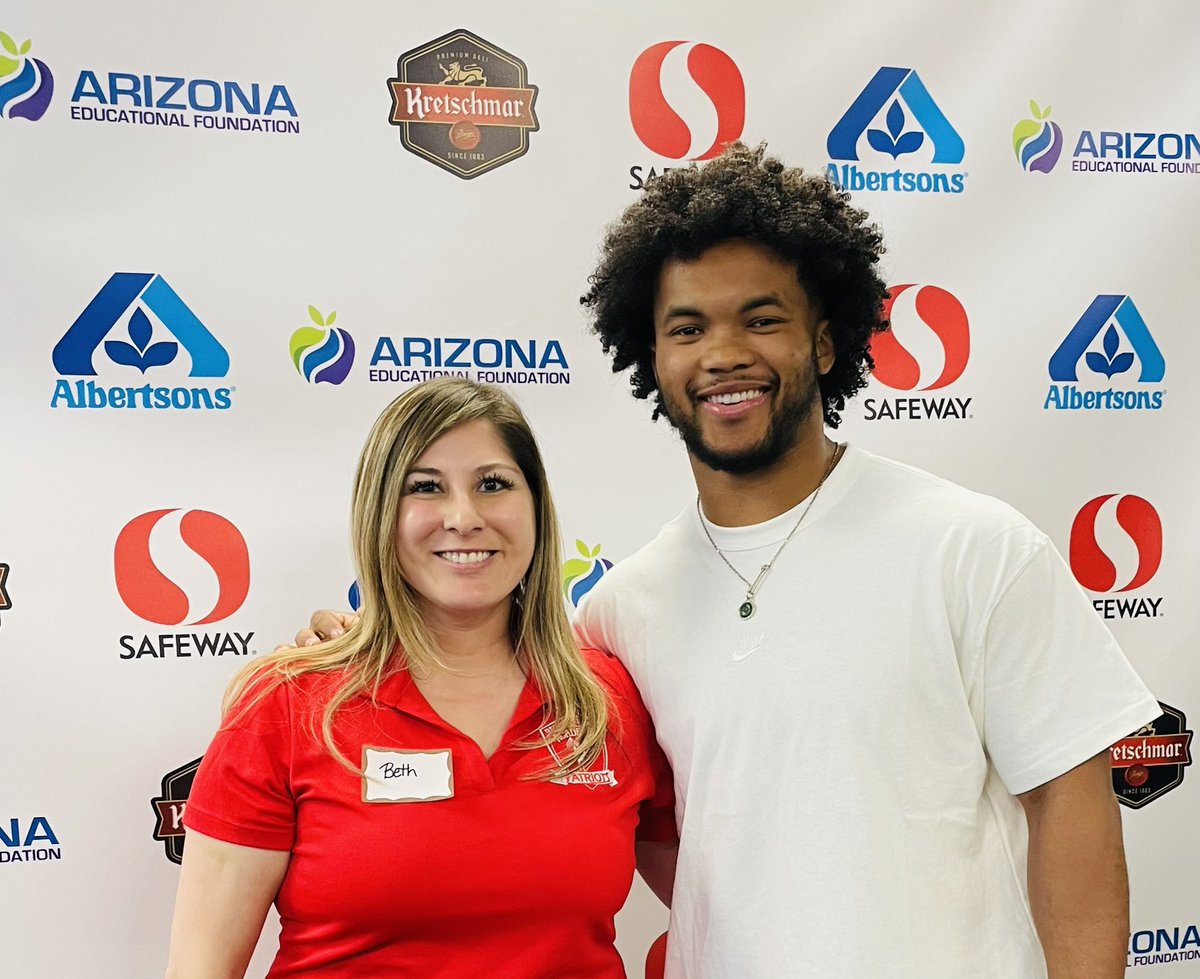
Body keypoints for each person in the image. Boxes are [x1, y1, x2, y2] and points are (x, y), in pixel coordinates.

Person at [301, 145, 1159, 978]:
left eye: (762, 319)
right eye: (688, 328)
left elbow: (1070, 804)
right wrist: (379, 642)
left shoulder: (974, 548)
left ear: (825, 342)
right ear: (653, 358)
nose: (723, 353)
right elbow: (622, 804)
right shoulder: (620, 610)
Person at [166, 378, 675, 979]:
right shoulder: (289, 704)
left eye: (493, 484)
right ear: (382, 513)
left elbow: (726, 905)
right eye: (426, 487)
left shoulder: (608, 700)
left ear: (536, 507)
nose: (464, 518)